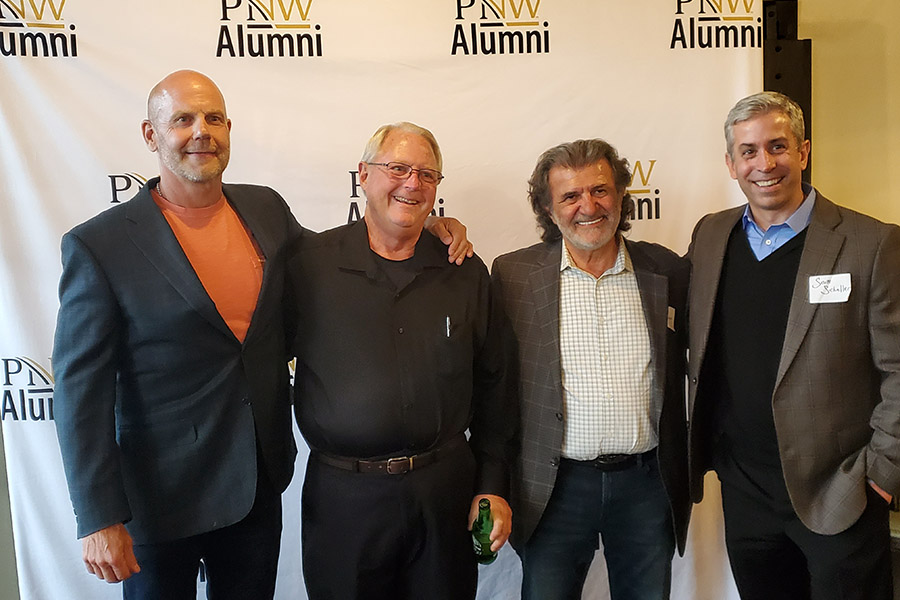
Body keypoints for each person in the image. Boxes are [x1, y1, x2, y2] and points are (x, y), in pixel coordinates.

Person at [52, 71, 470, 599]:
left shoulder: (265, 209)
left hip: (256, 486)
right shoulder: (100, 246)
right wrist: (97, 516)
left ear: (229, 129)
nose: (201, 131)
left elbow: (343, 257)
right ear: (150, 134)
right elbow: (78, 392)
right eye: (182, 119)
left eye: (214, 118)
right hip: (159, 499)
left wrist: (420, 223)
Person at [289, 121, 516, 600]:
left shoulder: (464, 270)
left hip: (445, 495)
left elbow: (497, 384)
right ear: (363, 175)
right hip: (343, 502)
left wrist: (493, 484)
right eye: (397, 168)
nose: (412, 183)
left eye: (427, 175)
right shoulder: (308, 264)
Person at [687, 91, 900, 600]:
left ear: (803, 151)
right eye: (749, 151)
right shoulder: (711, 236)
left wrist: (882, 475)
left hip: (841, 491)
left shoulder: (872, 244)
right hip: (745, 493)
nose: (765, 164)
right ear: (731, 164)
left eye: (778, 147)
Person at [491, 139, 690, 600]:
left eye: (600, 190)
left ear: (621, 194)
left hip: (646, 485)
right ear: (547, 207)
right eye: (570, 196)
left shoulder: (667, 269)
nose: (588, 207)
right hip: (553, 486)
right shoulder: (512, 276)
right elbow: (493, 389)